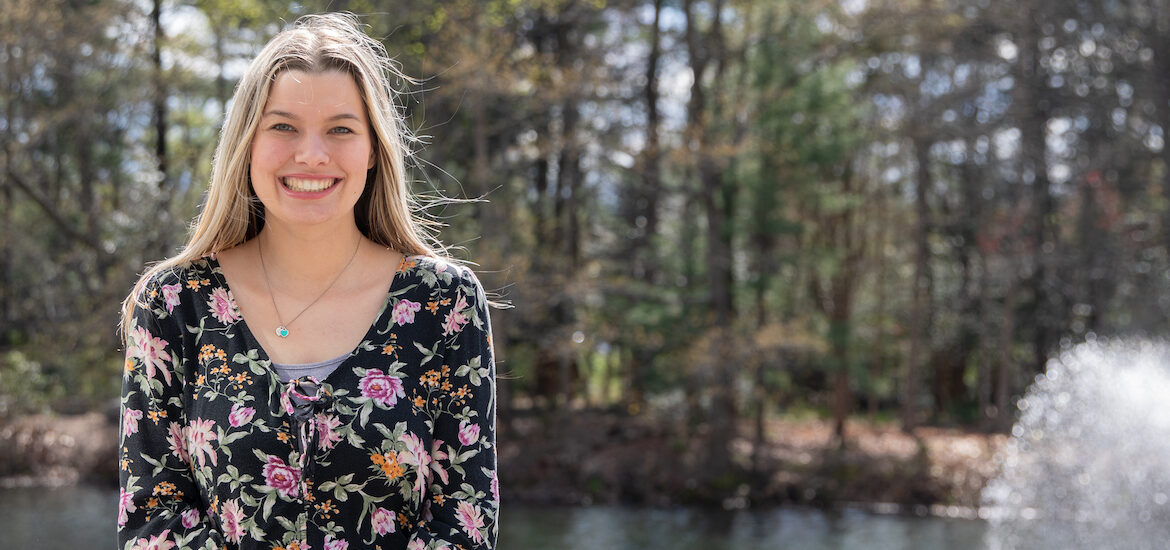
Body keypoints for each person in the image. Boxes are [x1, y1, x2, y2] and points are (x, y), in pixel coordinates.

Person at [117, 13, 498, 550]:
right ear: (246, 143)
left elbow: (463, 523)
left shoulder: (445, 303)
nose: (312, 154)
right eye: (283, 126)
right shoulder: (176, 302)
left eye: (341, 129)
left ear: (373, 151)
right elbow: (152, 524)